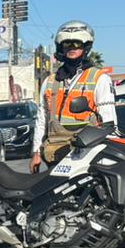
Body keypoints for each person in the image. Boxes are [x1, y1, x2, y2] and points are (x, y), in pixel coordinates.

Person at [30, 21, 117, 173]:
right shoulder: (50, 81)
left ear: (85, 46)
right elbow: (42, 118)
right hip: (55, 153)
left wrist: (112, 156)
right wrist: (36, 152)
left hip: (87, 153)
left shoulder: (99, 78)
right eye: (67, 44)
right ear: (60, 47)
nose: (71, 48)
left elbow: (109, 120)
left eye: (76, 44)